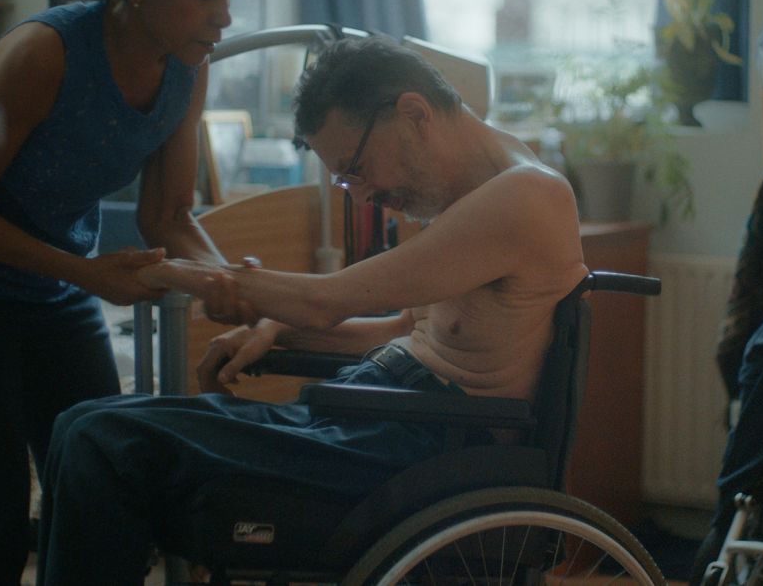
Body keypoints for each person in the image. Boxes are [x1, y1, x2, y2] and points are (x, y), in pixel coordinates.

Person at [35, 36, 588, 585]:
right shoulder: (471, 194)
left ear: (414, 114)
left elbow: (327, 301)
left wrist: (175, 273)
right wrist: (278, 333)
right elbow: (408, 330)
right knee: (77, 423)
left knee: (102, 442)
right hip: (381, 421)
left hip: (424, 451)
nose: (360, 196)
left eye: (356, 168)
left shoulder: (527, 196)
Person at [0, 0, 244, 585]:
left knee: (103, 485)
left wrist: (229, 280)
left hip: (56, 293)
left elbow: (168, 217)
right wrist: (87, 273)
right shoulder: (44, 54)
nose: (224, 17)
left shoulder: (187, 68)